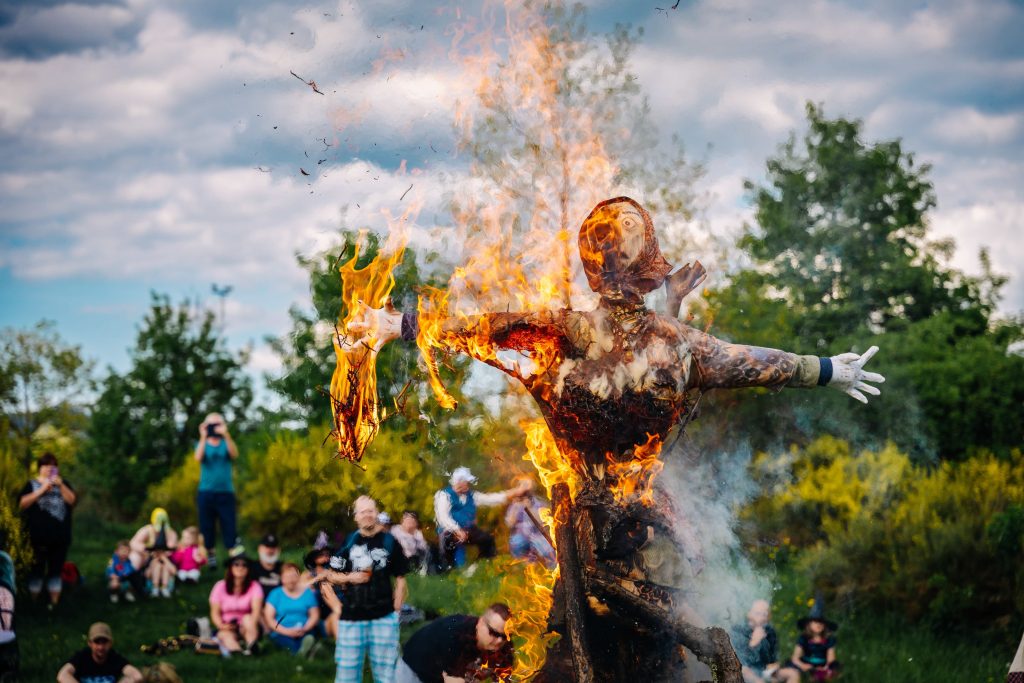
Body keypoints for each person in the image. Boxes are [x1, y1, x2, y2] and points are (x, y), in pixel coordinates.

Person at [347, 196, 885, 679]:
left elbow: (478, 329)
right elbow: (757, 363)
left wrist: (398, 325)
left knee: (622, 655)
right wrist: (826, 370)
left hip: (592, 536)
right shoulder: (677, 344)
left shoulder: (563, 335)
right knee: (647, 655)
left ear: (593, 272)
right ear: (648, 265)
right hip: (647, 538)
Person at [319, 495, 409, 683]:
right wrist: (351, 577)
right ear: (356, 517)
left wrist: (396, 610)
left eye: (370, 511)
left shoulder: (390, 542)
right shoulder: (349, 542)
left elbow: (401, 579)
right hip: (351, 618)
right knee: (347, 675)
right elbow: (330, 576)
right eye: (362, 512)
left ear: (376, 513)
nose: (367, 515)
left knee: (387, 675)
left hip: (383, 618)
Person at [434, 468, 532, 568]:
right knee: (447, 546)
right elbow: (443, 517)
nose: (468, 484)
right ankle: (448, 570)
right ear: (459, 482)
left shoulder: (472, 496)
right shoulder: (444, 495)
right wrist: (456, 530)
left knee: (488, 540)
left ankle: (478, 568)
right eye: (466, 482)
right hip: (449, 531)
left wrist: (515, 492)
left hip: (468, 530)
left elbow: (491, 499)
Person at [396, 603, 514, 683]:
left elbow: (505, 678)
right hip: (414, 668)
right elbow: (451, 680)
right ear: (481, 623)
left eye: (505, 636)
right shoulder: (456, 636)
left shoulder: (504, 646)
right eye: (493, 633)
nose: (499, 640)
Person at [18, 452, 76, 607]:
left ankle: (54, 604)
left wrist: (61, 485)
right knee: (36, 571)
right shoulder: (31, 484)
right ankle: (33, 603)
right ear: (40, 468)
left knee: (56, 571)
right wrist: (42, 490)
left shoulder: (64, 483)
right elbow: (22, 504)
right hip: (37, 537)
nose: (50, 468)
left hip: (60, 537)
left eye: (53, 465)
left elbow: (71, 501)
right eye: (46, 465)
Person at [194, 412, 242, 569]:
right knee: (207, 526)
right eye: (211, 425)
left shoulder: (225, 442)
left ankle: (233, 559)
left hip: (226, 492)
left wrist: (226, 434)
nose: (214, 428)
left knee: (229, 525)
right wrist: (202, 436)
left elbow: (234, 454)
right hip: (206, 492)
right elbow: (198, 458)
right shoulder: (202, 442)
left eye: (217, 424)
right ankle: (211, 555)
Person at [208, 554, 264, 656]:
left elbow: (256, 611)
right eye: (236, 564)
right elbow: (214, 612)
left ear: (248, 569)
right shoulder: (220, 586)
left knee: (247, 618)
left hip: (248, 625)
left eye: (244, 565)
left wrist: (249, 625)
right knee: (224, 635)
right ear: (230, 568)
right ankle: (239, 652)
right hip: (228, 625)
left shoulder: (255, 586)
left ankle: (252, 645)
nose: (240, 567)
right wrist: (221, 625)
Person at [264, 562, 320, 657]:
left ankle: (304, 652)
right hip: (282, 631)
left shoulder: (307, 593)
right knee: (288, 642)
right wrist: (287, 631)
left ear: (298, 577)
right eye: (287, 577)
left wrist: (305, 628)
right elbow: (269, 618)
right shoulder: (275, 594)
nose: (291, 580)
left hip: (303, 629)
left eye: (293, 576)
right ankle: (305, 652)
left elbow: (315, 615)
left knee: (306, 638)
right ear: (281, 578)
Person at [56, 622, 142, 683]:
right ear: (90, 643)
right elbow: (62, 675)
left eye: (104, 642)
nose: (101, 647)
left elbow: (137, 676)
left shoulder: (114, 658)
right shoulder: (82, 657)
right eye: (97, 642)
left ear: (110, 643)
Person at [129, 508, 178, 598]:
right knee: (136, 559)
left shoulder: (170, 532)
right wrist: (147, 550)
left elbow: (172, 546)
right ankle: (133, 582)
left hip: (164, 560)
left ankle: (163, 587)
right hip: (147, 557)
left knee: (163, 566)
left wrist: (163, 553)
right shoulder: (147, 530)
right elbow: (134, 543)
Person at [731, 599, 783, 683]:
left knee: (788, 672)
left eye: (765, 614)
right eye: (758, 613)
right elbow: (739, 661)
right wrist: (753, 643)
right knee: (744, 670)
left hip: (763, 671)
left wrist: (774, 666)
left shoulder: (770, 631)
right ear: (749, 613)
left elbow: (774, 660)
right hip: (745, 670)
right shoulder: (738, 629)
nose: (762, 617)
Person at [504, 482, 555, 566]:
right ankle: (525, 567)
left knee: (548, 551)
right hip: (521, 536)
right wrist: (516, 506)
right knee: (518, 542)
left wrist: (529, 507)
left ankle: (549, 567)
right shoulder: (515, 504)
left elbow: (542, 521)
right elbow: (509, 523)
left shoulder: (538, 503)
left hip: (538, 535)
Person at [782, 611, 840, 681]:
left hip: (822, 664)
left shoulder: (829, 640)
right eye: (815, 622)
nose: (819, 624)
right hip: (806, 663)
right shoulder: (804, 638)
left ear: (825, 625)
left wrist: (825, 667)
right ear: (809, 624)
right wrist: (802, 665)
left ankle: (816, 677)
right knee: (793, 670)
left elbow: (831, 659)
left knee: (827, 674)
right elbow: (795, 657)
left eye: (821, 622)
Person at [302, 547, 342, 641]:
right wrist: (318, 578)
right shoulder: (308, 575)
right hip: (322, 619)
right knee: (336, 616)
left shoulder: (336, 572)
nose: (325, 557)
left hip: (339, 611)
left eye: (327, 554)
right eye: (321, 554)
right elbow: (299, 588)